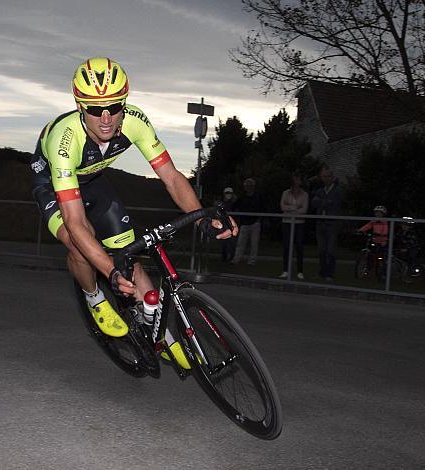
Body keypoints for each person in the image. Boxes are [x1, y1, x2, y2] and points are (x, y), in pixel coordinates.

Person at [30, 57, 237, 368]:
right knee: (78, 243)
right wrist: (109, 273)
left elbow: (171, 177)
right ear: (79, 106)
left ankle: (161, 334)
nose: (105, 119)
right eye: (94, 108)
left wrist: (202, 216)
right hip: (53, 182)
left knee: (129, 254)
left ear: (124, 104)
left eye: (113, 107)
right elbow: (75, 222)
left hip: (93, 180)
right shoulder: (66, 138)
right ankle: (93, 298)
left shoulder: (136, 122)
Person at [310, 166, 342, 281]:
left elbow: (334, 204)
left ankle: (330, 274)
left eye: (328, 176)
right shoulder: (319, 190)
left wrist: (322, 202)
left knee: (331, 249)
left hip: (331, 223)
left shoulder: (337, 190)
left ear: (332, 177)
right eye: (324, 176)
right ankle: (322, 272)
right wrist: (325, 202)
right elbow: (314, 203)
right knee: (322, 250)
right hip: (320, 223)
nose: (326, 178)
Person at [279, 173, 308, 280]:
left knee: (299, 247)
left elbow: (304, 210)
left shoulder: (304, 195)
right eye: (295, 179)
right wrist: (296, 207)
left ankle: (300, 271)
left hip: (299, 223)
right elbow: (282, 207)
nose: (297, 181)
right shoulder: (285, 193)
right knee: (286, 247)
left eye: (298, 179)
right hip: (287, 223)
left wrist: (289, 208)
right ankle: (285, 270)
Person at [231, 178, 264, 266]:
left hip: (255, 223)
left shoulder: (258, 196)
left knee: (254, 243)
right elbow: (234, 206)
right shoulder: (242, 197)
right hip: (244, 223)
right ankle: (236, 259)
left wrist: (259, 219)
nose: (248, 187)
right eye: (246, 186)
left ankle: (252, 261)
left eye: (250, 185)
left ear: (253, 186)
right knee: (240, 243)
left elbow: (262, 208)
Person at [220, 187, 238, 262]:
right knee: (224, 241)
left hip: (233, 225)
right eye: (227, 193)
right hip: (224, 224)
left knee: (232, 242)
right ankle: (224, 257)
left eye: (229, 193)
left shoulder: (235, 203)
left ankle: (231, 257)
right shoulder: (222, 203)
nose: (228, 195)